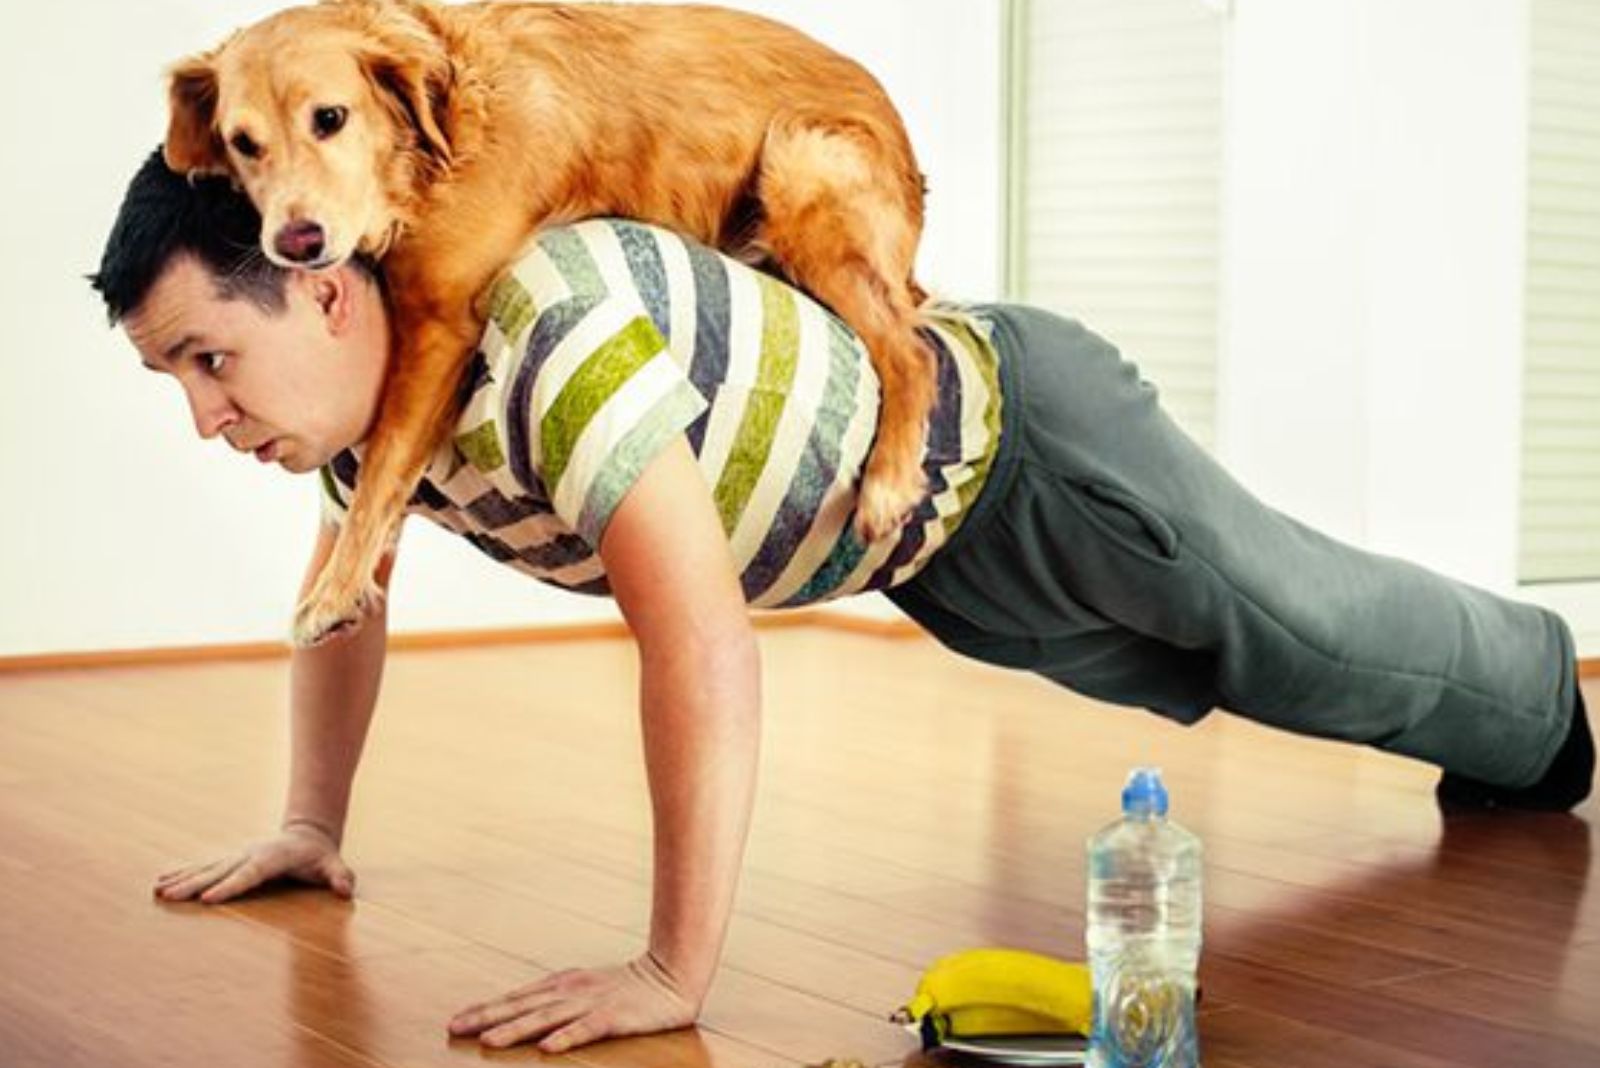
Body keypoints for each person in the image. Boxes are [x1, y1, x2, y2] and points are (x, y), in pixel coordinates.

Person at [91, 148, 1592, 1053]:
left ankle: (1543, 705)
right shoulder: (380, 432)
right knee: (1216, 677)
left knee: (1305, 637)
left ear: (329, 280)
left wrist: (676, 969)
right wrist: (310, 823)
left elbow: (694, 632)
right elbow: (340, 603)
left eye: (211, 359)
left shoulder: (539, 325)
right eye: (174, 382)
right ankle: (1507, 731)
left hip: (1029, 451)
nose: (206, 419)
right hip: (930, 554)